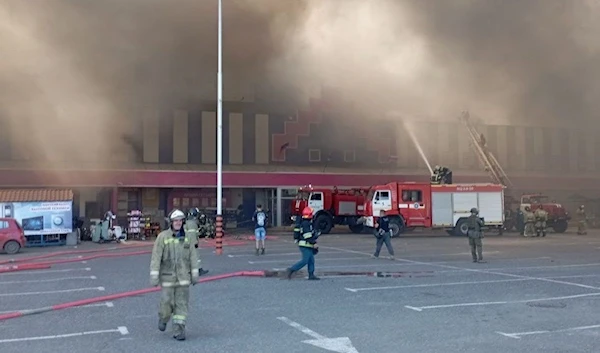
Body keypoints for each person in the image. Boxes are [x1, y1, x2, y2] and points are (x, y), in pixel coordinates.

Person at [150, 209, 200, 341]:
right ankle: (164, 318)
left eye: (180, 220)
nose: (178, 223)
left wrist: (195, 275)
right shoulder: (163, 237)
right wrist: (154, 276)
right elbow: (156, 257)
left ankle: (179, 330)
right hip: (167, 277)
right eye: (175, 221)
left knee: (181, 304)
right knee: (166, 303)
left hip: (183, 278)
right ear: (171, 222)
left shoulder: (187, 238)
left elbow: (193, 257)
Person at [285, 207, 320, 280]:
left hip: (306, 244)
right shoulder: (306, 224)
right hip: (305, 244)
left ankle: (311, 275)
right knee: (305, 260)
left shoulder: (305, 222)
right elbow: (307, 235)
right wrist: (314, 243)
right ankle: (291, 269)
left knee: (311, 260)